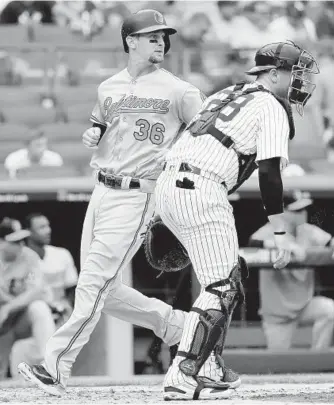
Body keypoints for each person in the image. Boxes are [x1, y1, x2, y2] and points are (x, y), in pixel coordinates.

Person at [17, 9, 234, 396]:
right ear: (130, 41)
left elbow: (208, 135)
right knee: (108, 291)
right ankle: (185, 329)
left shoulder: (179, 90)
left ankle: (55, 365)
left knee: (92, 283)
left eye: (163, 37)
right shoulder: (109, 86)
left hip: (138, 194)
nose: (160, 42)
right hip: (101, 191)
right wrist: (92, 132)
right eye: (151, 36)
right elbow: (102, 120)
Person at [154, 40, 319, 400]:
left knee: (229, 278)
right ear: (273, 74)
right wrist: (279, 232)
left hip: (170, 184)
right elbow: (270, 174)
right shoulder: (271, 106)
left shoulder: (227, 93)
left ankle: (210, 367)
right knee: (221, 287)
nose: (300, 81)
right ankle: (182, 373)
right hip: (202, 186)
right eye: (295, 73)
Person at [250, 192, 334, 350]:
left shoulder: (308, 230)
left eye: (304, 209)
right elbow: (253, 242)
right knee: (277, 367)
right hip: (278, 316)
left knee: (330, 310)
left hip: (304, 306)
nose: (303, 214)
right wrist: (287, 246)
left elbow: (330, 240)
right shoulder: (270, 231)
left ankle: (317, 358)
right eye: (297, 211)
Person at [0, 218, 55, 380]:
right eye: (15, 241)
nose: (21, 245)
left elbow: (36, 291)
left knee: (39, 308)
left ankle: (49, 366)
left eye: (22, 240)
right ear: (1, 243)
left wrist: (8, 307)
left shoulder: (29, 257)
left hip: (20, 318)